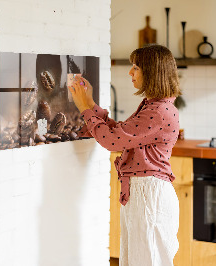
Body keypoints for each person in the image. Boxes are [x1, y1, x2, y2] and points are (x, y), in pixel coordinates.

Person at [69, 44, 181, 266]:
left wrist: (84, 108)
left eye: (136, 67)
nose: (130, 72)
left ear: (152, 72)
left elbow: (112, 141)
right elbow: (120, 133)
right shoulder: (154, 106)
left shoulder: (158, 111)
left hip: (149, 195)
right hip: (144, 193)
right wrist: (90, 104)